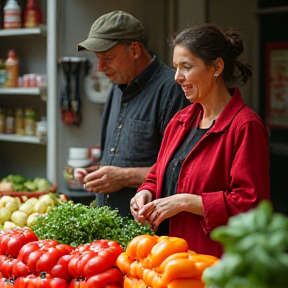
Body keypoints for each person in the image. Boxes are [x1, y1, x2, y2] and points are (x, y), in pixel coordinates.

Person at [130, 23, 271, 257]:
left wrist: (186, 202)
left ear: (216, 67)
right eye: (176, 67)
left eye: (187, 67)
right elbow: (158, 175)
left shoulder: (245, 126)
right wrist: (145, 192)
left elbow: (251, 205)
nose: (177, 77)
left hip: (211, 263)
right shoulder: (180, 121)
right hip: (167, 259)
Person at [75, 11, 190, 217]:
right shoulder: (116, 87)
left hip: (146, 233)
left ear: (135, 50)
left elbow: (181, 171)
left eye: (107, 58)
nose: (101, 68)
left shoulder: (172, 90)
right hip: (108, 228)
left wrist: (123, 177)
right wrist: (99, 173)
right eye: (98, 59)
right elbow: (120, 159)